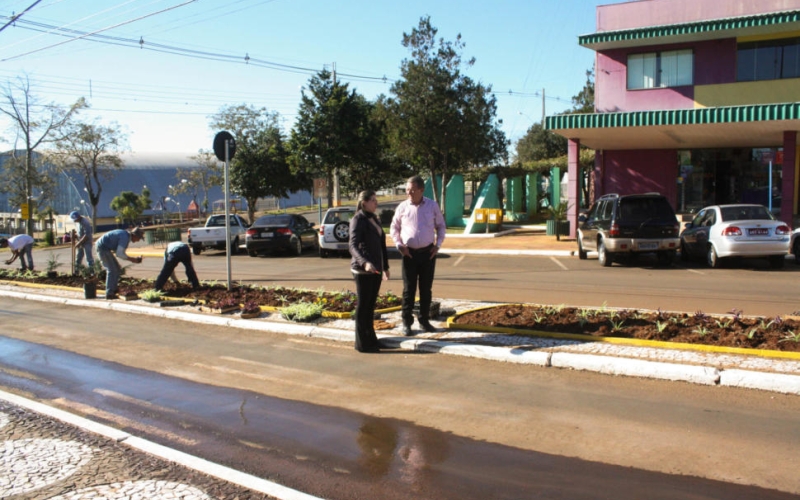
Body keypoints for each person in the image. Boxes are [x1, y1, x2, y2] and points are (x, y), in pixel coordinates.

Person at [390, 175, 446, 336]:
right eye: (407, 190)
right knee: (409, 290)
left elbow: (441, 226)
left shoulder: (432, 206)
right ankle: (406, 323)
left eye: (412, 190)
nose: (409, 193)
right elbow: (394, 228)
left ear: (421, 190)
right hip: (409, 254)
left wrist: (437, 245)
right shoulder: (402, 207)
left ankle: (424, 320)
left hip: (428, 253)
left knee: (425, 289)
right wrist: (399, 245)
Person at [349, 190, 390, 353]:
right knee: (363, 306)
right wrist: (364, 262)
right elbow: (352, 245)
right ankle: (362, 344)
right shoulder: (358, 219)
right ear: (364, 203)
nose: (376, 203)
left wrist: (385, 267)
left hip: (376, 269)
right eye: (373, 200)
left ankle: (371, 339)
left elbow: (381, 244)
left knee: (370, 306)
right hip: (363, 270)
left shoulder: (374, 218)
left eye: (376, 200)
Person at [95, 227, 144, 299]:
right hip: (102, 248)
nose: (138, 240)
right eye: (139, 238)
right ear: (134, 235)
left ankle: (113, 289)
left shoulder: (125, 235)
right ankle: (109, 293)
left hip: (104, 247)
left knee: (116, 269)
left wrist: (132, 259)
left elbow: (117, 251)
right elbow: (119, 253)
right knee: (112, 270)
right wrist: (133, 260)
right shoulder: (124, 238)